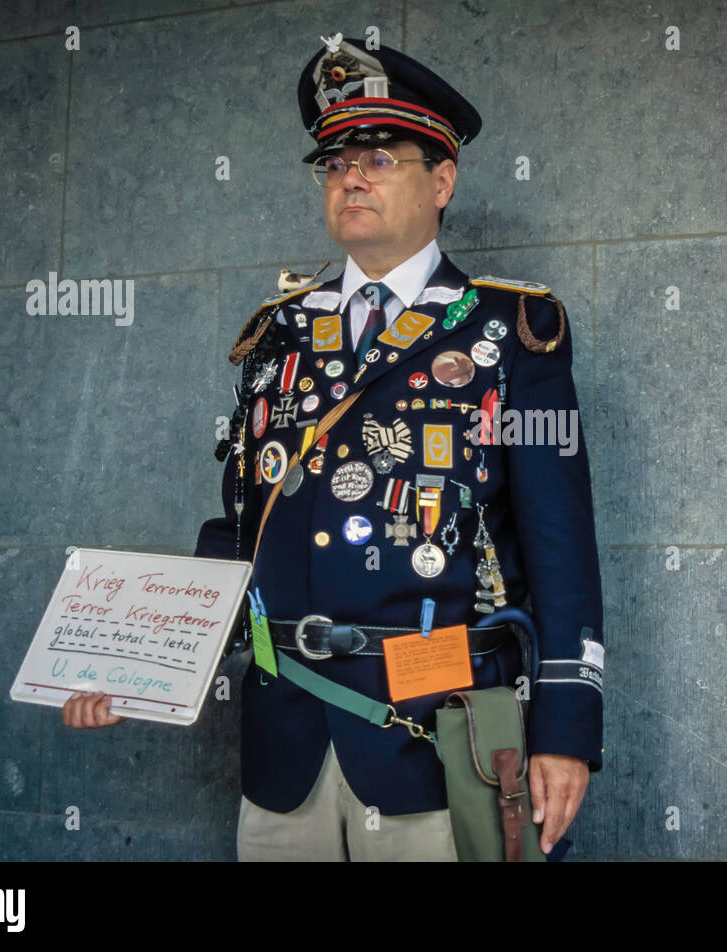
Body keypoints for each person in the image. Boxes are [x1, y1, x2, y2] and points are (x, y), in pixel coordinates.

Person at [64, 33, 604, 862]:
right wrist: (138, 665)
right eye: (335, 160)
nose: (351, 175)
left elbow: (561, 551)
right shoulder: (280, 333)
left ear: (443, 180)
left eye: (381, 157)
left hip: (437, 739)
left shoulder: (510, 335)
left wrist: (566, 729)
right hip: (287, 746)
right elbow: (240, 528)